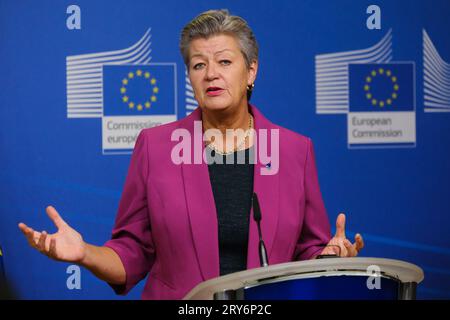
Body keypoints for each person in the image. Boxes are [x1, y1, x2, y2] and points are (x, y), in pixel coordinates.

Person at [18, 9, 364, 300]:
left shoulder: (293, 150)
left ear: (252, 71)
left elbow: (306, 251)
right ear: (189, 76)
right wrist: (84, 254)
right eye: (199, 65)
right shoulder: (156, 147)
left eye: (225, 61)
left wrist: (329, 256)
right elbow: (132, 251)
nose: (211, 73)